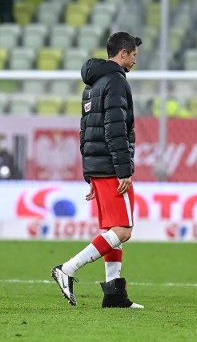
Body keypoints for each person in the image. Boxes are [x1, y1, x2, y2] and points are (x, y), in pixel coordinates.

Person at [51, 32, 143, 308]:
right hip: (113, 166)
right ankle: (67, 269)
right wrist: (124, 169)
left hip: (98, 165)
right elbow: (115, 128)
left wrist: (89, 173)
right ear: (123, 53)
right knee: (123, 230)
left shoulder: (92, 84)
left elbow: (85, 130)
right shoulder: (115, 81)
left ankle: (114, 294)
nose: (135, 61)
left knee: (111, 229)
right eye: (134, 55)